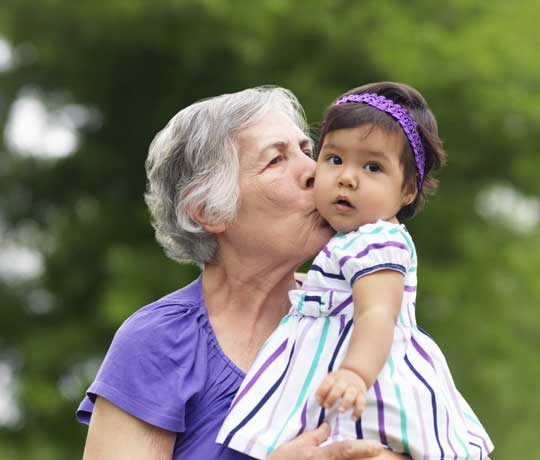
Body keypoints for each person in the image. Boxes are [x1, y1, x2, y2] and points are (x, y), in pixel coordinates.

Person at [77, 86, 409, 460]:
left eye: (306, 150)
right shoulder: (159, 342)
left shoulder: (364, 313)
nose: (316, 172)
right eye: (276, 161)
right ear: (208, 210)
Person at [216, 83, 494, 460]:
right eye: (334, 160)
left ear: (407, 190)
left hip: (371, 390)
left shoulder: (378, 240)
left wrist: (356, 373)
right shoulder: (347, 241)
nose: (347, 177)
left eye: (372, 167)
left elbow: (377, 312)